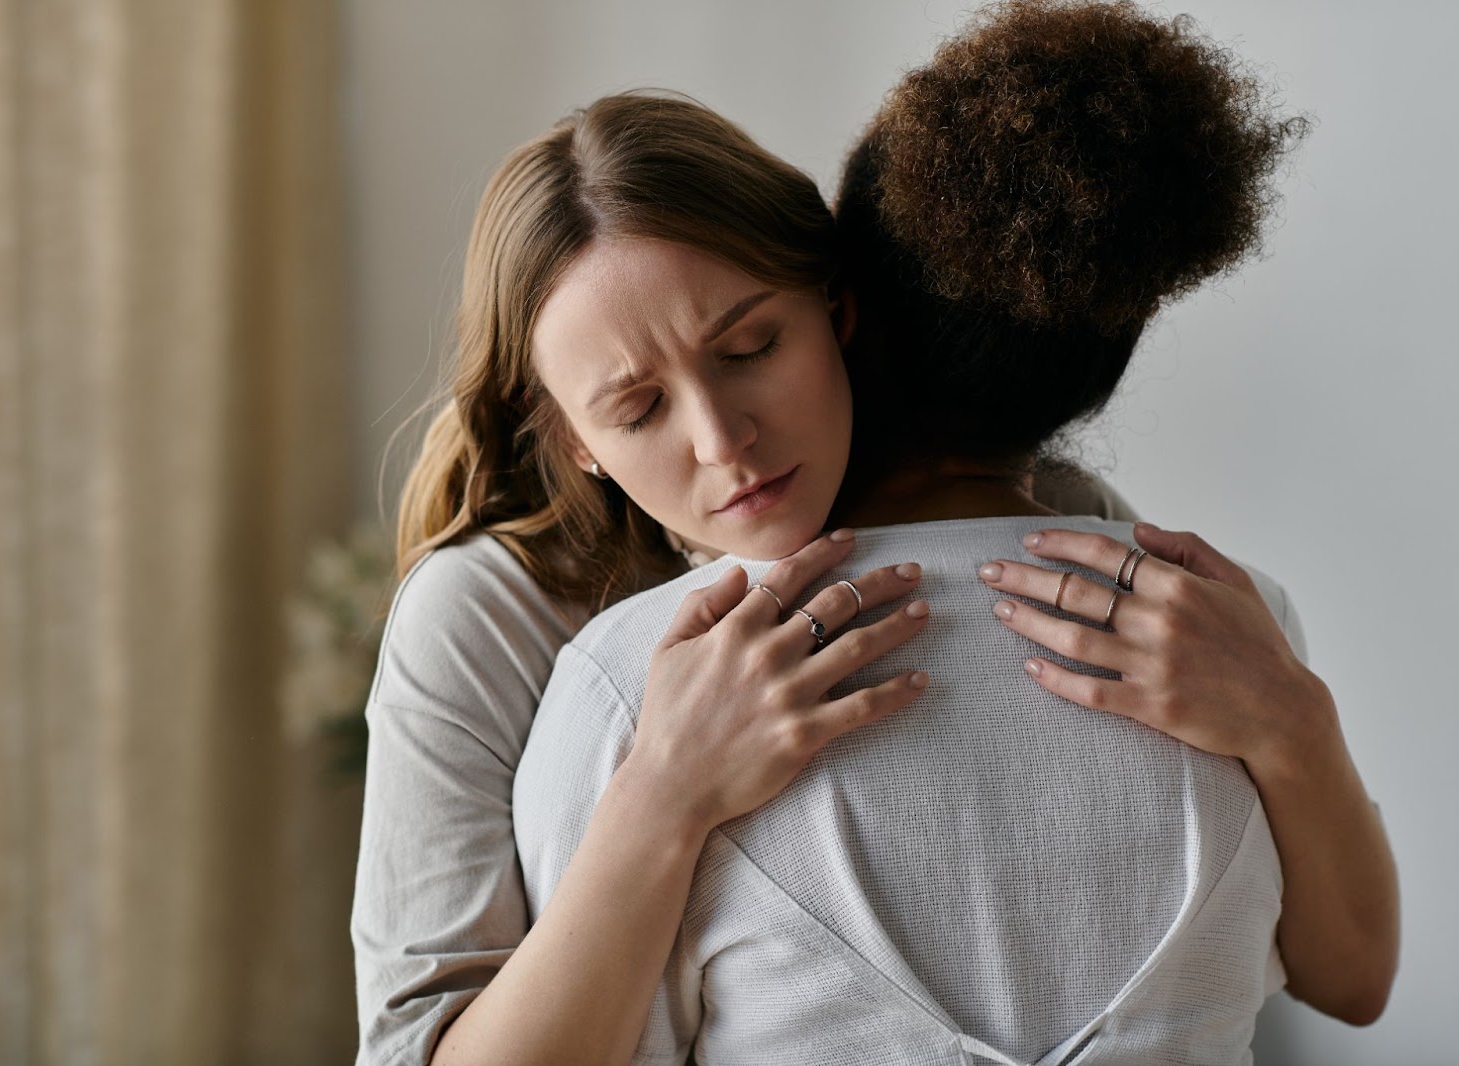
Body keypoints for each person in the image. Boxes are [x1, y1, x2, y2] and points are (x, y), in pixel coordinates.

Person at [351, 12, 1396, 1066]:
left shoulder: (1060, 519)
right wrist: (663, 793)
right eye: (636, 410)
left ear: (842, 312)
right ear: (572, 438)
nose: (725, 442)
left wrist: (1292, 723)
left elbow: (1329, 968)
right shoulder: (499, 616)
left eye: (753, 345)